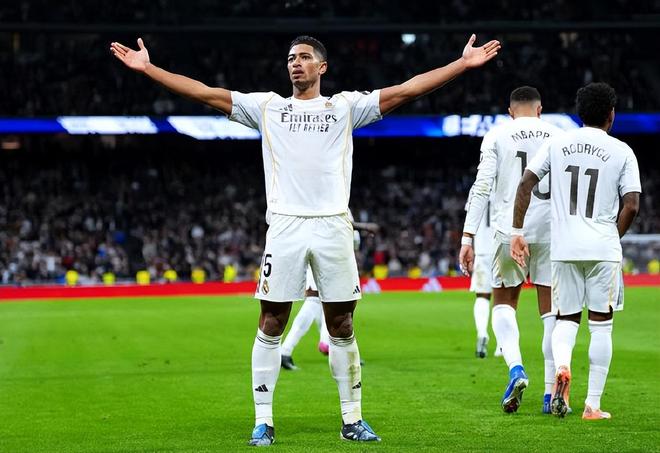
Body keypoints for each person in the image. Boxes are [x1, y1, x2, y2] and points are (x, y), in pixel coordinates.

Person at [111, 33, 500, 446]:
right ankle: (263, 421)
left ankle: (352, 419)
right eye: (290, 58)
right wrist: (149, 69)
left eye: (303, 57)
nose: (295, 63)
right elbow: (205, 93)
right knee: (271, 321)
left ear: (322, 67)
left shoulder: (344, 107)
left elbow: (407, 89)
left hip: (334, 226)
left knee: (342, 323)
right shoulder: (268, 107)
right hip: (285, 226)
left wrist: (461, 64)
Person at [511, 82, 640, 420]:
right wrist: (613, 235)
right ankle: (592, 405)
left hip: (563, 248)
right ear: (611, 115)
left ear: (580, 113)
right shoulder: (622, 151)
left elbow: (525, 183)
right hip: (602, 248)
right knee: (601, 326)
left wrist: (517, 231)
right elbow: (632, 204)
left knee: (565, 320)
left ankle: (562, 369)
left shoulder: (557, 143)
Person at [459, 86, 562, 413]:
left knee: (503, 304)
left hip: (508, 230)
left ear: (510, 112)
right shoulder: (559, 135)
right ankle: (550, 394)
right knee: (551, 313)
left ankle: (516, 368)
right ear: (540, 109)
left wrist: (467, 237)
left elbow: (481, 188)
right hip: (550, 231)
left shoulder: (497, 135)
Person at [281, 219, 379, 370]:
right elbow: (338, 221)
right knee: (318, 302)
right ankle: (286, 351)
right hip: (323, 257)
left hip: (330, 258)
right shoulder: (333, 207)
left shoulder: (341, 207)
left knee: (327, 304)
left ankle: (327, 344)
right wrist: (364, 226)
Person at [466, 199, 497, 358]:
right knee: (504, 298)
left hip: (482, 251)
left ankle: (482, 332)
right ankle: (502, 345)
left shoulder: (477, 189)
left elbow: (471, 218)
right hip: (502, 248)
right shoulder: (508, 185)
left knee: (482, 296)